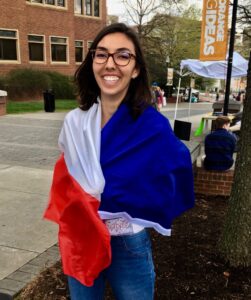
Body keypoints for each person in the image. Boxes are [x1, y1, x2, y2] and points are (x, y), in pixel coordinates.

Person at [44, 23, 194, 300]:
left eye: (123, 55)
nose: (110, 64)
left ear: (135, 68)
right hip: (81, 234)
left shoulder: (153, 127)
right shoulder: (75, 122)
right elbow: (68, 172)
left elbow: (177, 169)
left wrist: (146, 199)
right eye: (101, 55)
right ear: (92, 63)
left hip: (128, 242)